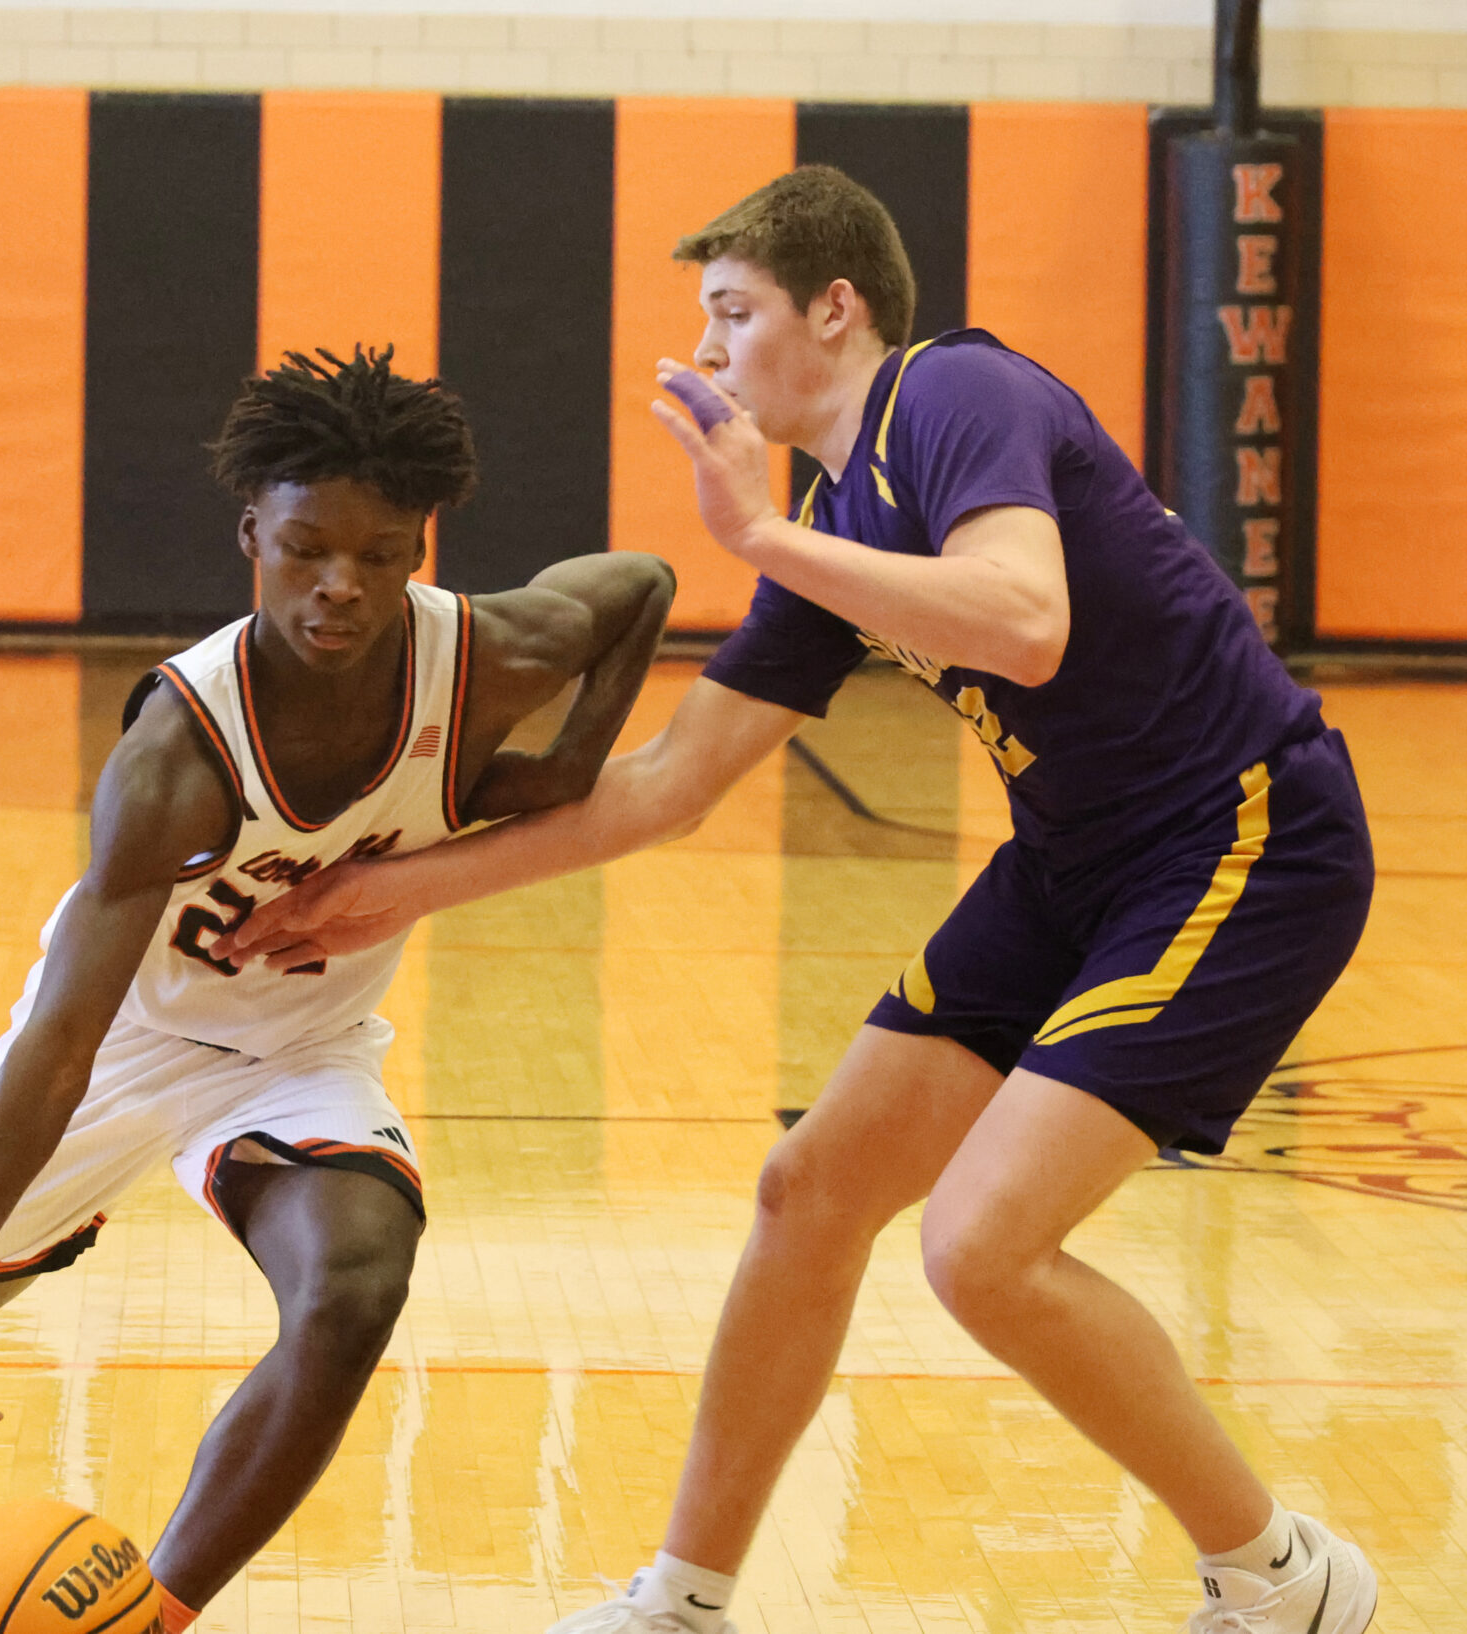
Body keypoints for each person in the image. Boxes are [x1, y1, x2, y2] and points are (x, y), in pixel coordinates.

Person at [218, 169, 1378, 1634]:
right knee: (808, 1190)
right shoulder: (838, 520)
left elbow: (1026, 622)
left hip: (1244, 836)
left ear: (836, 309)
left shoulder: (954, 393)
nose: (707, 349)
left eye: (732, 311)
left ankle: (1282, 1579)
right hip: (1075, 859)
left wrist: (760, 535)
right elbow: (665, 784)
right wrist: (388, 892)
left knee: (979, 1248)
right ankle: (682, 1601)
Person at [0, 347, 678, 1629]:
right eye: (306, 548)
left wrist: (562, 768)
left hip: (301, 1046)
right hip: (128, 1038)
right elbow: (61, 1040)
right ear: (251, 531)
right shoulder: (177, 757)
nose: (339, 584)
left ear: (419, 548)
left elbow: (642, 586)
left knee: (355, 1285)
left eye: (378, 554)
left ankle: (158, 1615)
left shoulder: (484, 654)